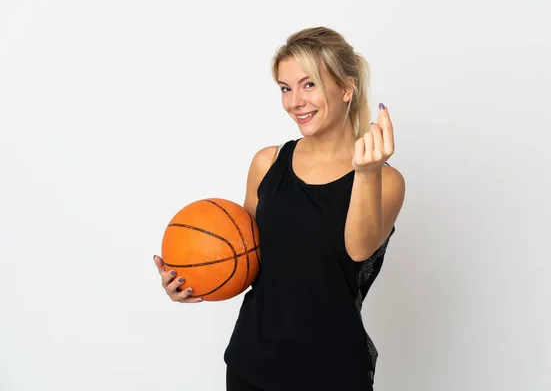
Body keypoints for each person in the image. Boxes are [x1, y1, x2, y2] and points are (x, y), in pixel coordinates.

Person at [153, 26, 406, 390]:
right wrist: (194, 279)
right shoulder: (267, 163)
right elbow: (245, 260)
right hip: (251, 363)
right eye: (286, 89)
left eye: (309, 84)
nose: (294, 102)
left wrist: (366, 173)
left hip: (333, 372)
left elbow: (358, 250)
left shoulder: (386, 180)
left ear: (347, 88)